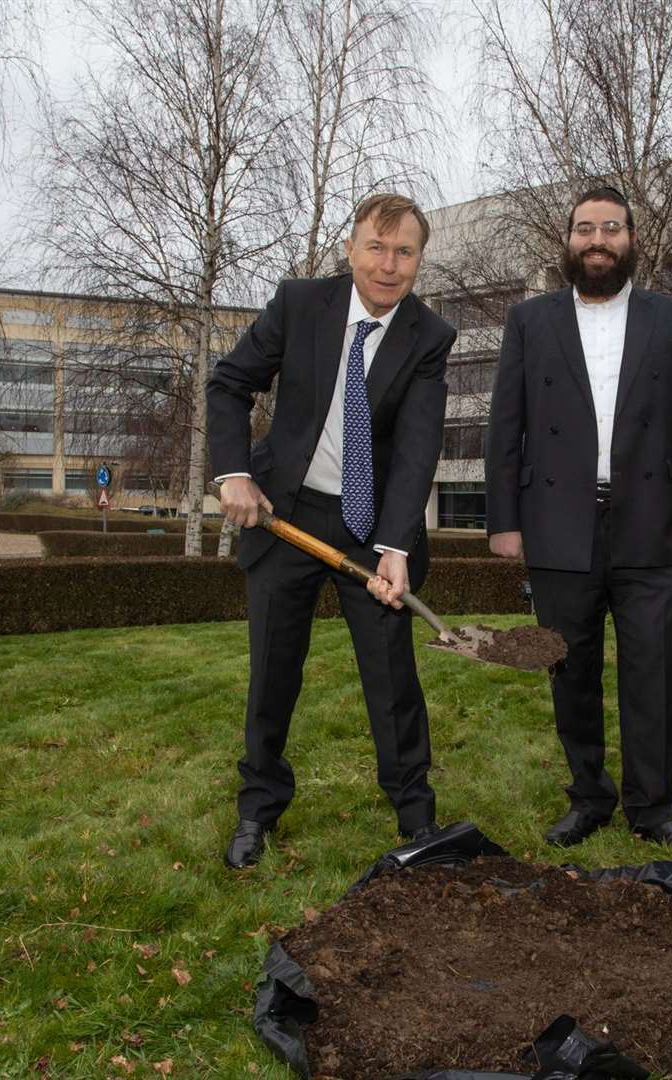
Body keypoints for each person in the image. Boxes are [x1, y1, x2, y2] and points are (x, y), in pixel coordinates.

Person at [207, 193, 456, 868]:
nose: (388, 264)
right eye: (376, 247)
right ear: (349, 250)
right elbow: (228, 384)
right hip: (284, 515)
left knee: (392, 675)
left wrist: (397, 546)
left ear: (418, 261)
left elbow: (415, 449)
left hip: (370, 525)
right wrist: (232, 474)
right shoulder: (299, 305)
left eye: (404, 251)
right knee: (273, 672)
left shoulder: (428, 338)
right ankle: (257, 807)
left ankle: (416, 816)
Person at [484, 186, 672, 859]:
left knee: (653, 671)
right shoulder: (529, 321)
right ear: (567, 241)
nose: (597, 241)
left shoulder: (671, 319)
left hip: (650, 523)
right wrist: (505, 519)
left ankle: (652, 806)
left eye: (610, 228)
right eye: (585, 229)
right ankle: (589, 797)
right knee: (571, 671)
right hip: (558, 524)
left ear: (632, 240)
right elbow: (507, 425)